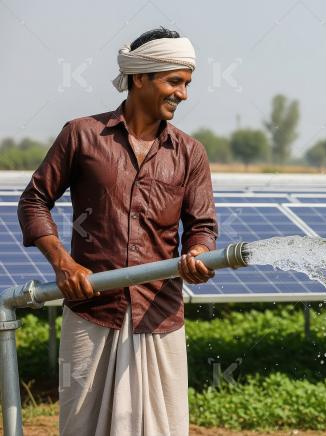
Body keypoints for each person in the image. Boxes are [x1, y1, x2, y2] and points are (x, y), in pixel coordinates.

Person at [17, 27, 217, 436]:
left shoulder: (190, 152)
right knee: (81, 427)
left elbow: (202, 226)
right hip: (92, 310)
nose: (183, 94)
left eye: (187, 84)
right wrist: (63, 263)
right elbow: (34, 201)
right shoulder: (82, 135)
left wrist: (200, 252)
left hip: (159, 313)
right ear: (139, 78)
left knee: (162, 428)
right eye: (174, 81)